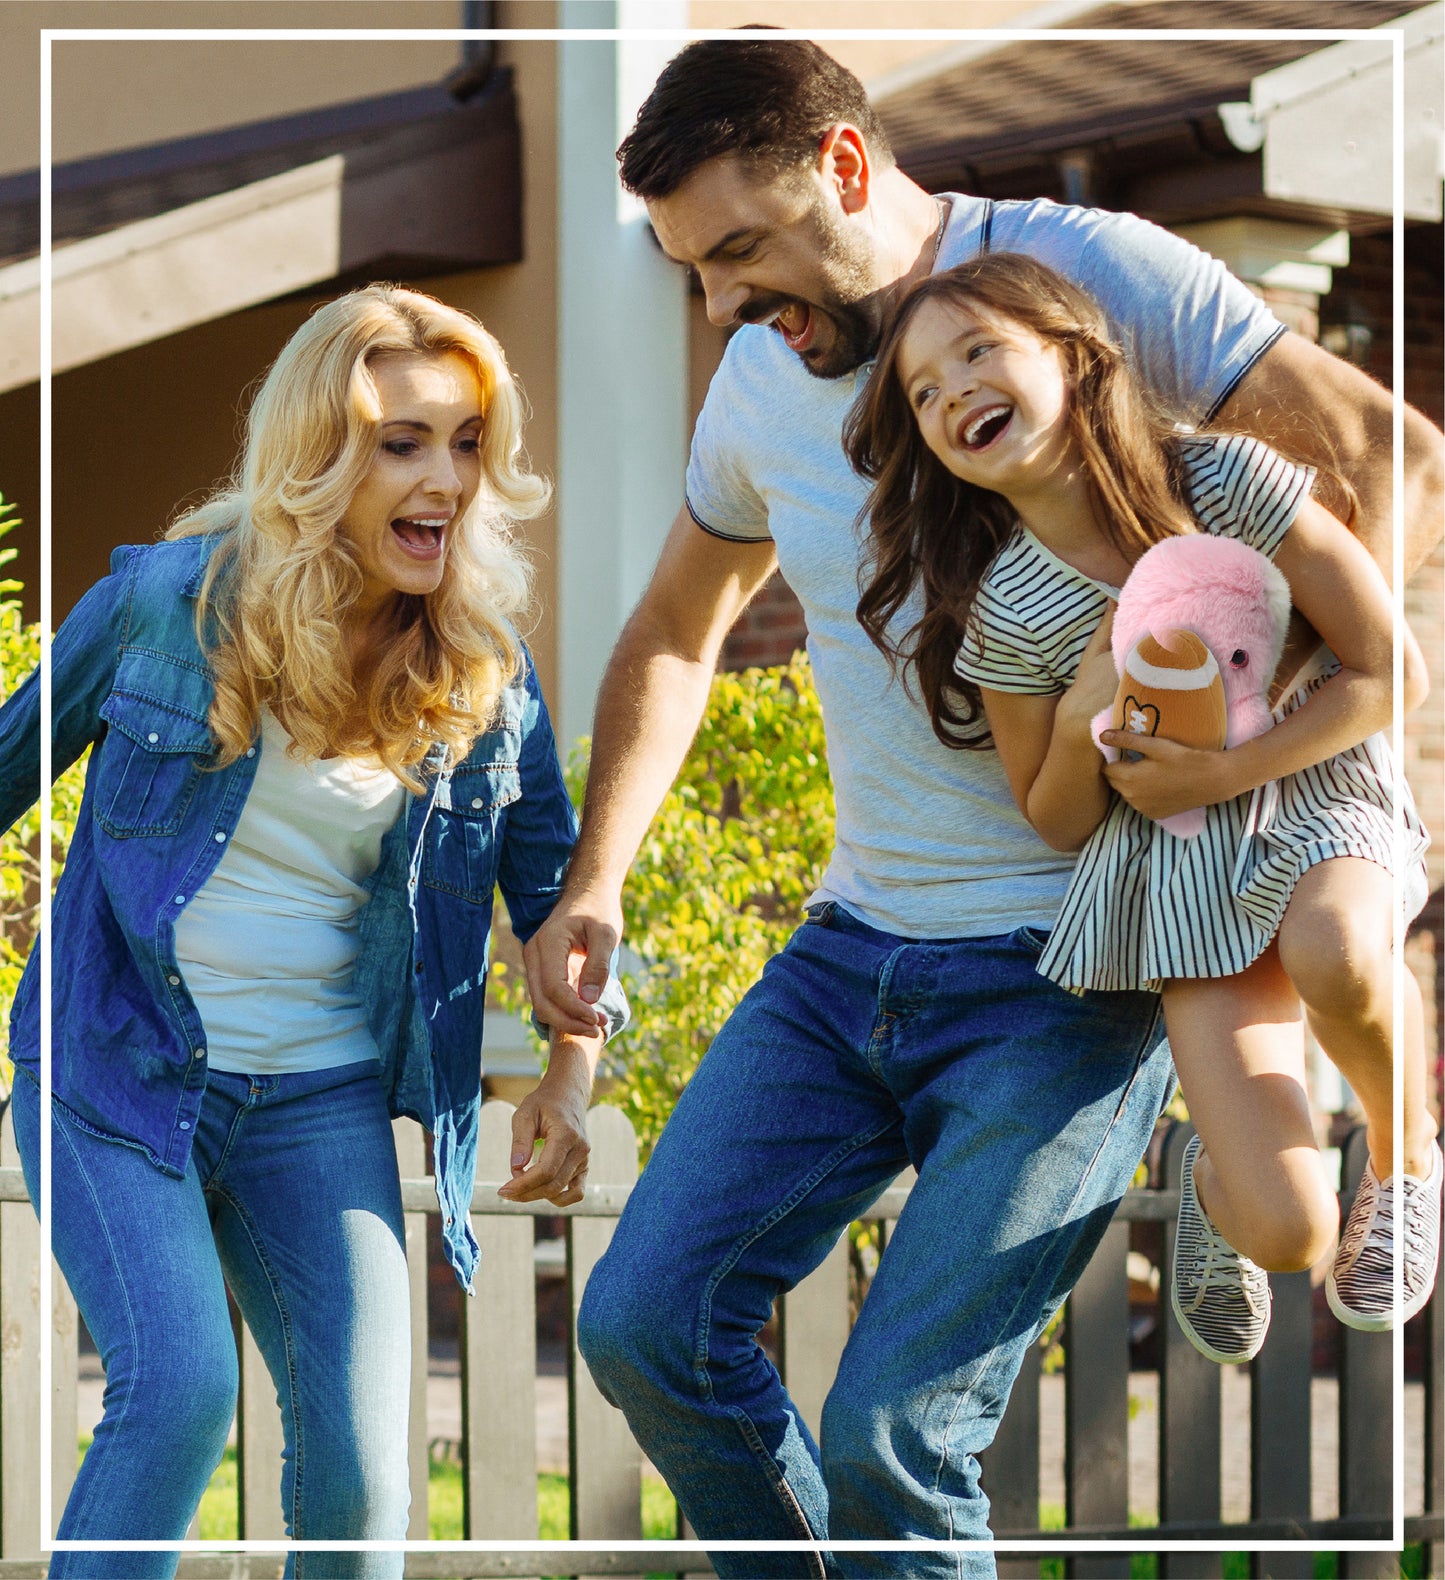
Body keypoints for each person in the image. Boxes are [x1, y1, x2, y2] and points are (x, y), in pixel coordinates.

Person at [519, 37, 1444, 1579]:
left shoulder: (1090, 277)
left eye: (741, 249)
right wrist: (594, 876)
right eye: (692, 270)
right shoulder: (761, 379)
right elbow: (679, 632)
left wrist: (1252, 768)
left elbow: (1376, 453)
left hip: (1068, 974)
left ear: (846, 166)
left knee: (896, 1432)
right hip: (851, 952)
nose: (725, 306)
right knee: (642, 1326)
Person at [0, 284, 626, 1580]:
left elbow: (558, 901)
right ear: (320, 456)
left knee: (362, 1473)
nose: (444, 479)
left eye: (464, 442)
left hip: (317, 1103)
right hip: (115, 1066)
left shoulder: (479, 670)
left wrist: (570, 1075)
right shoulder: (162, 609)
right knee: (176, 1398)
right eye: (403, 442)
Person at [845, 252, 1439, 1368]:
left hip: (1312, 797)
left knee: (1334, 942)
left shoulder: (1221, 482)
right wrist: (1076, 716)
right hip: (1176, 870)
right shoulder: (1009, 608)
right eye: (921, 391)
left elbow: (1386, 672)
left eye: (977, 350)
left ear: (1071, 355)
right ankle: (1219, 1187)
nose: (950, 390)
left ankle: (1407, 1155)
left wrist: (1225, 767)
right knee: (1289, 1227)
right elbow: (1056, 819)